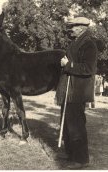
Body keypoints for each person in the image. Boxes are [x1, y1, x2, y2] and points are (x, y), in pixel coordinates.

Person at [55, 17, 97, 169]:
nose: (70, 29)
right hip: (68, 89)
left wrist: (68, 65)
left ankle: (81, 159)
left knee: (76, 125)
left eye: (73, 26)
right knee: (66, 123)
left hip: (77, 91)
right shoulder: (74, 43)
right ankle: (70, 153)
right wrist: (64, 64)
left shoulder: (89, 44)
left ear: (82, 27)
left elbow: (89, 69)